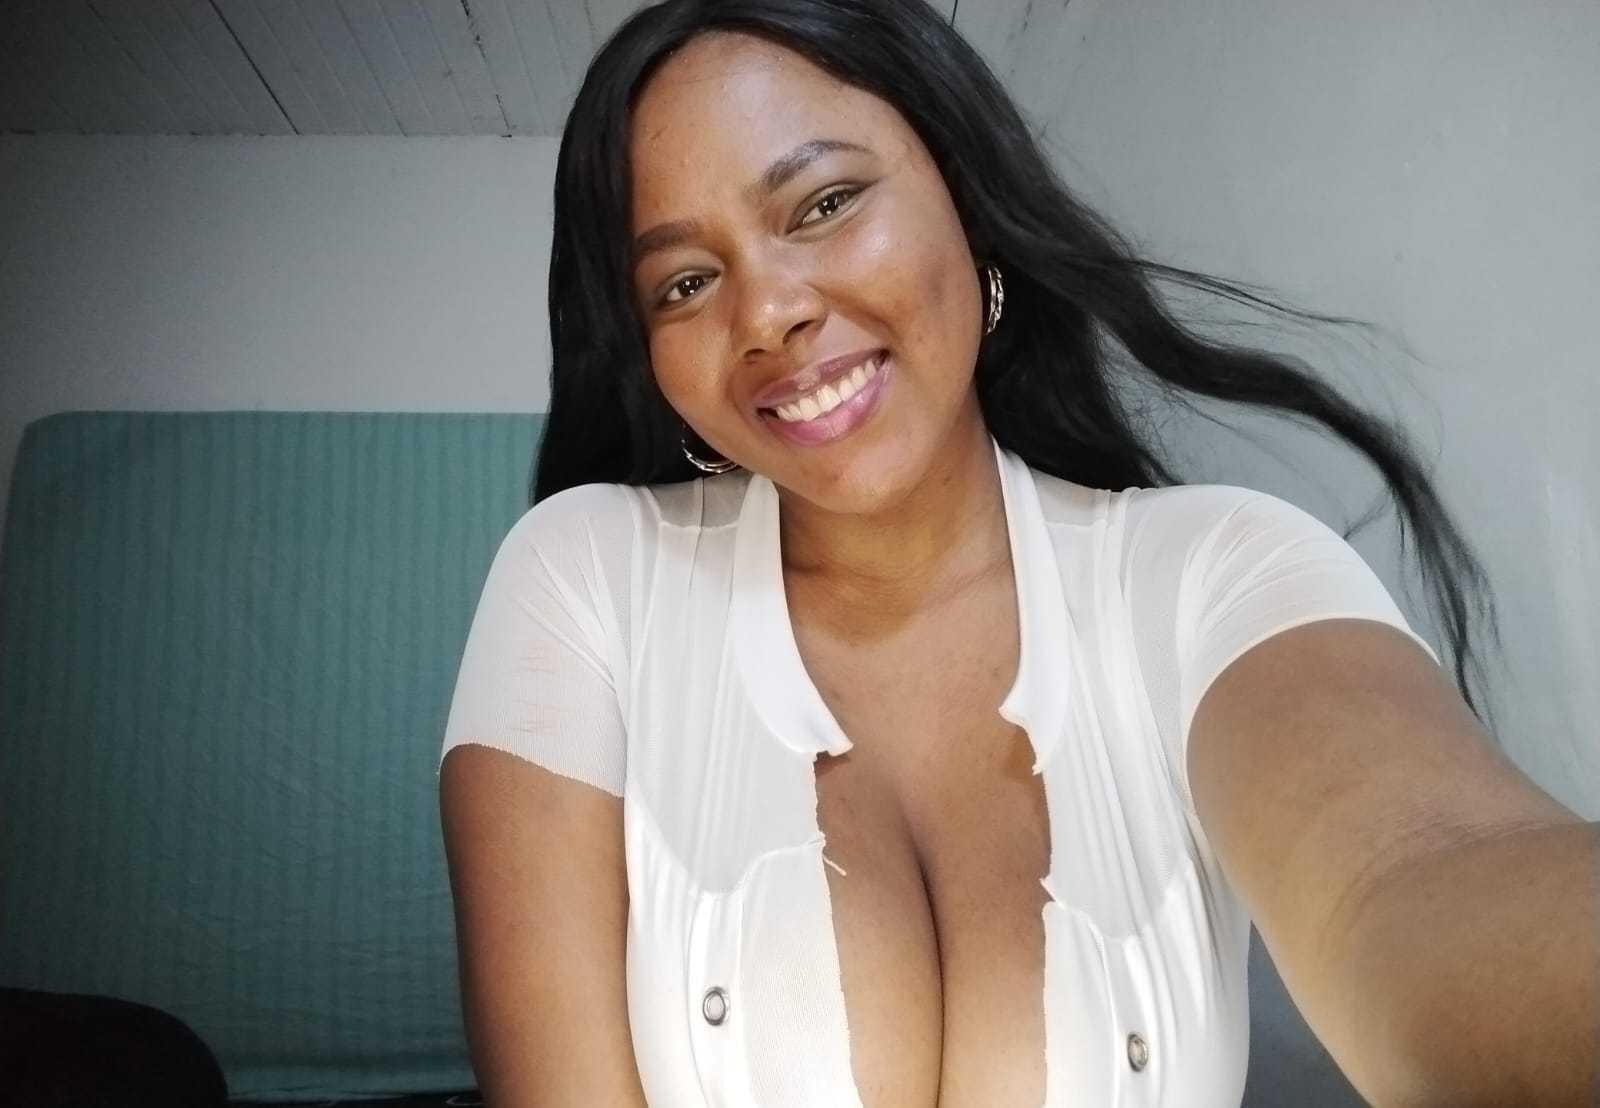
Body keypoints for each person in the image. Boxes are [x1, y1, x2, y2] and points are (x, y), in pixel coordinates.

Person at [437, 1, 1597, 1105]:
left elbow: (1417, 869)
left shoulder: (1214, 574)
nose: (767, 314)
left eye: (824, 203)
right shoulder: (585, 583)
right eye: (685, 283)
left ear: (968, 202)